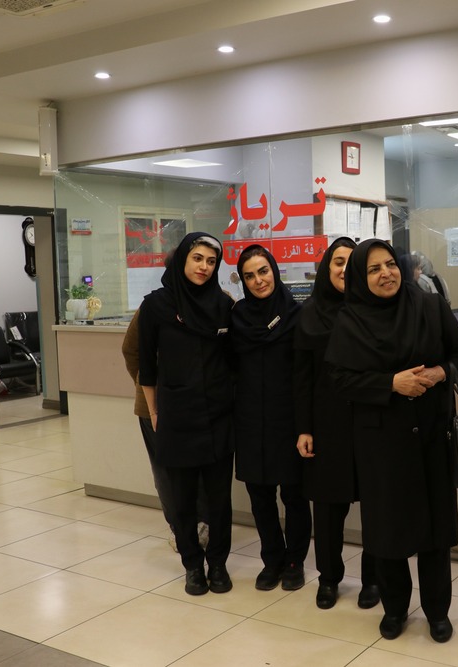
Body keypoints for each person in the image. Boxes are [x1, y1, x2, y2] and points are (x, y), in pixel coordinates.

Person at [326, 239, 458, 644]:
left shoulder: (430, 306)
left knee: (435, 532)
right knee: (387, 531)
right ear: (361, 278)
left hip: (432, 437)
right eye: (373, 269)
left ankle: (437, 612)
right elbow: (339, 380)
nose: (385, 274)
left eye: (390, 264)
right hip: (381, 444)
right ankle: (394, 609)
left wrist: (441, 373)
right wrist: (391, 383)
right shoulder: (350, 320)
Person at [137, 232, 235, 596]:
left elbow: (231, 360)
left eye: (211, 261)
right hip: (176, 415)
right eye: (197, 258)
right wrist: (154, 411)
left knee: (219, 499)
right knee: (182, 499)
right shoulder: (156, 305)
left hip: (218, 414)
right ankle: (193, 565)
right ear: (182, 260)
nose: (204, 267)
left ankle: (218, 564)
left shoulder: (223, 305)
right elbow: (146, 366)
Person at [294, 237, 380, 611]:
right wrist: (304, 427)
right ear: (327, 268)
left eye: (352, 262)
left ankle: (373, 578)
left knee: (376, 506)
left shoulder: (377, 309)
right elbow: (301, 377)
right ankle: (329, 578)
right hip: (326, 423)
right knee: (328, 509)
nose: (345, 269)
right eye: (338, 262)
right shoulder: (309, 314)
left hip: (372, 420)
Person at [231, 244, 312, 592]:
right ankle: (272, 559)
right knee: (260, 497)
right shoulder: (237, 317)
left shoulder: (296, 314)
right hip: (249, 419)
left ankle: (295, 561)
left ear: (274, 272)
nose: (258, 280)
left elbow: (305, 375)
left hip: (288, 419)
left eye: (263, 271)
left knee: (293, 496)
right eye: (249, 276)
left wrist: (305, 427)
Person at [122, 307, 209, 554]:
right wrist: (147, 386)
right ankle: (181, 528)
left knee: (204, 467)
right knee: (166, 471)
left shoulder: (218, 302)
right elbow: (131, 350)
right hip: (156, 407)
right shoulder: (154, 306)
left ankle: (202, 524)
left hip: (203, 403)